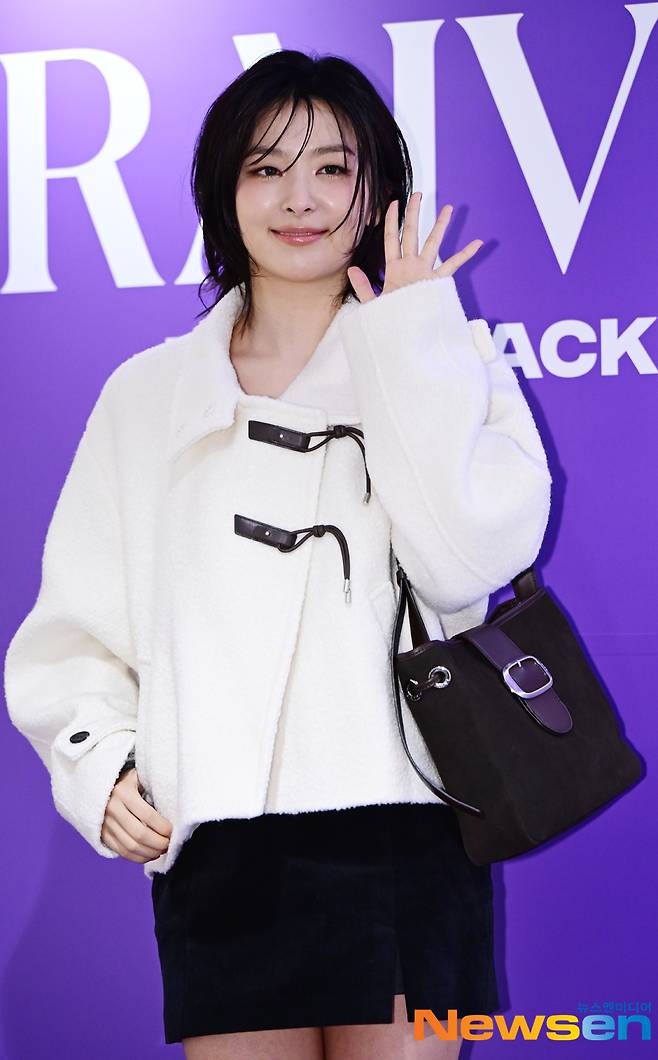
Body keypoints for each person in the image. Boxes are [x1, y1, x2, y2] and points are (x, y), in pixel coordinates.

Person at [4, 49, 553, 1059]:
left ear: (377, 189)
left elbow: (463, 565)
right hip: (222, 838)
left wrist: (415, 337)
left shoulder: (441, 355)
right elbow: (73, 629)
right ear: (224, 188)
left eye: (333, 168)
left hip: (409, 820)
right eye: (265, 168)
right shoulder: (148, 394)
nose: (300, 198)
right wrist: (102, 763)